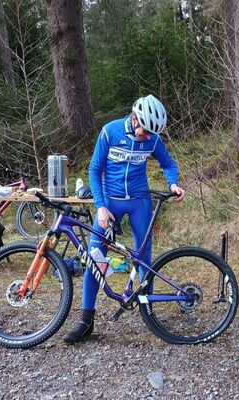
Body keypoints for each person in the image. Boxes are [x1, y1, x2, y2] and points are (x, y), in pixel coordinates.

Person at [64, 94, 186, 344]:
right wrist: (100, 207)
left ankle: (148, 313)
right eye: (146, 132)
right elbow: (94, 170)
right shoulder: (110, 132)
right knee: (95, 257)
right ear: (134, 118)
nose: (149, 137)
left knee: (144, 259)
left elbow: (168, 163)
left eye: (153, 133)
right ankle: (86, 320)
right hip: (111, 201)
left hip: (140, 200)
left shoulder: (152, 139)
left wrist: (173, 183)